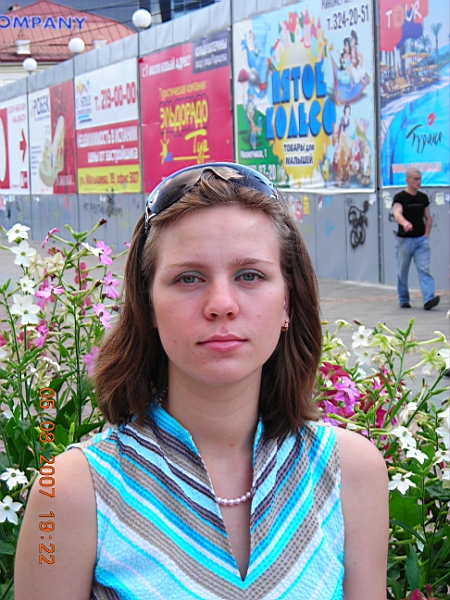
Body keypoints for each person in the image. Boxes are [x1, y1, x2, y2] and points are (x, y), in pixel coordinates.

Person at [15, 163, 388, 599]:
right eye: (188, 278)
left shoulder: (350, 472)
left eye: (250, 275)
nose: (221, 304)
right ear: (148, 306)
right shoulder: (67, 494)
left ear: (287, 301)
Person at [392, 166, 440, 310]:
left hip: (421, 240)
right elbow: (397, 213)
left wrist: (426, 234)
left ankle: (428, 299)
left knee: (424, 269)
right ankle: (403, 299)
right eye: (415, 179)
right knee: (402, 271)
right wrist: (405, 223)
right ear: (407, 180)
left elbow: (428, 217)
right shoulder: (400, 197)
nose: (418, 182)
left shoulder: (423, 198)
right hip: (404, 241)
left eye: (419, 179)